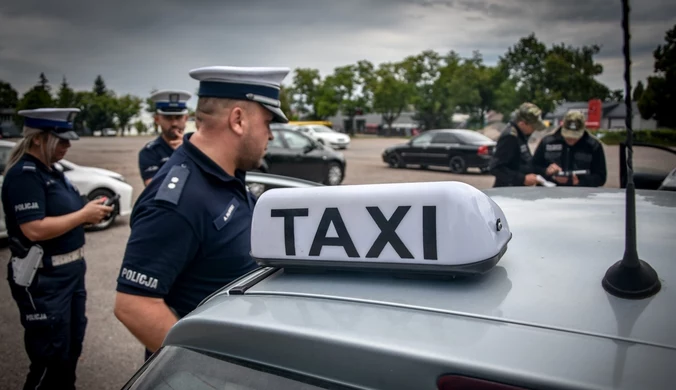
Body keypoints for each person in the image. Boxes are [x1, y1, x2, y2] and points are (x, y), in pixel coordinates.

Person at [114, 66, 290, 360]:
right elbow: (134, 305)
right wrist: (203, 366)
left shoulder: (223, 175)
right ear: (238, 120)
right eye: (268, 122)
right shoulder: (178, 200)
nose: (270, 135)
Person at [2, 108, 113, 390]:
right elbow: (34, 229)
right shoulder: (24, 175)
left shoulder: (53, 170)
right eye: (60, 139)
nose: (67, 145)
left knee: (70, 350)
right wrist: (83, 215)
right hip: (45, 278)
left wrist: (90, 211)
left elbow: (65, 212)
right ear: (38, 138)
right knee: (50, 356)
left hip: (70, 272)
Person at [533, 110, 607, 187]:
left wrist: (580, 182)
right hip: (550, 193)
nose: (571, 139)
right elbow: (533, 167)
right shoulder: (547, 142)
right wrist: (547, 171)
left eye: (575, 136)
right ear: (562, 127)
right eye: (568, 135)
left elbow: (601, 177)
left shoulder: (593, 145)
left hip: (581, 194)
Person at [138, 90, 192, 186]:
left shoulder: (197, 147)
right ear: (157, 119)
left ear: (186, 118)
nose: (174, 123)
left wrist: (188, 152)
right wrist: (180, 155)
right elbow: (153, 188)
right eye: (168, 118)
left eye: (178, 117)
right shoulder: (150, 152)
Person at [489, 102, 548, 187]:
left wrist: (544, 171)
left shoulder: (520, 135)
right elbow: (496, 168)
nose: (534, 130)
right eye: (533, 126)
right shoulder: (510, 137)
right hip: (508, 193)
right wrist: (523, 179)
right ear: (522, 123)